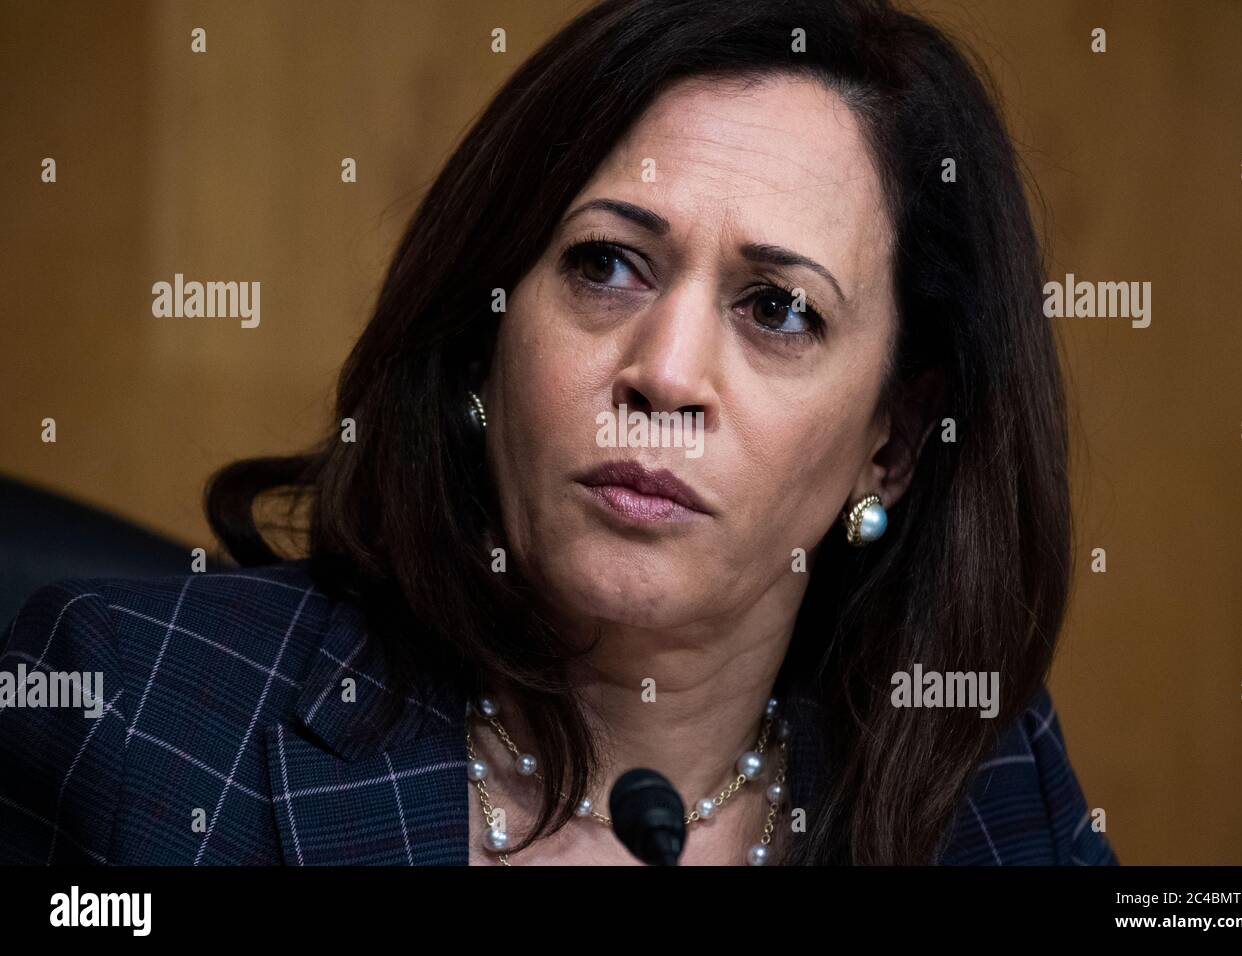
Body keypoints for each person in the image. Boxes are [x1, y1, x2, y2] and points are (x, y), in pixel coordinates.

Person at [0, 0, 1118, 866]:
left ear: (895, 441)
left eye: (778, 308)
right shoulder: (133, 721)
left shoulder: (982, 780)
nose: (664, 372)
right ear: (489, 320)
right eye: (606, 264)